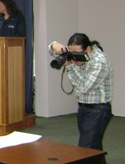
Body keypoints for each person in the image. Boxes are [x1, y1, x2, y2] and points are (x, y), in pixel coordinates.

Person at [49, 33, 113, 164]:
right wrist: (55, 45)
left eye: (77, 53)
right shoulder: (77, 53)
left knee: (84, 151)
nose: (75, 57)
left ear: (88, 49)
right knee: (93, 148)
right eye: (72, 53)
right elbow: (50, 49)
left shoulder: (99, 61)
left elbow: (84, 87)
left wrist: (70, 66)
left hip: (98, 110)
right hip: (83, 108)